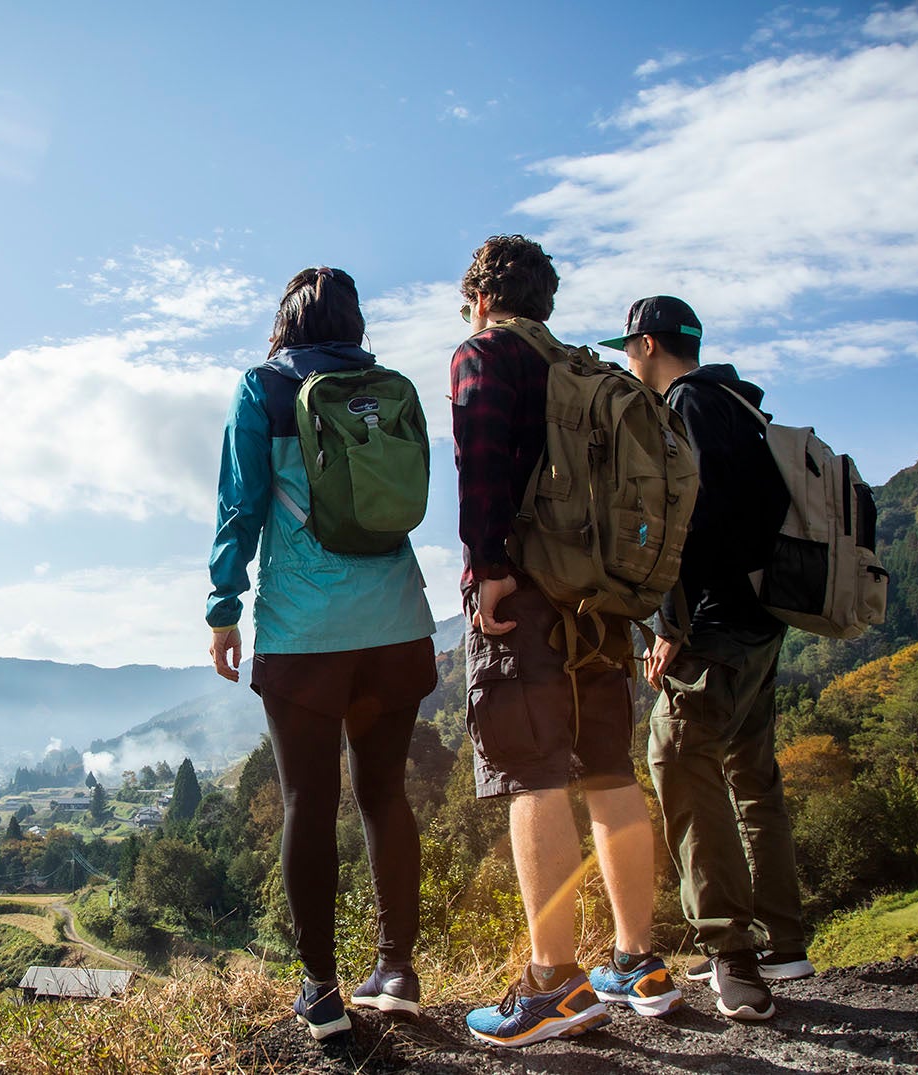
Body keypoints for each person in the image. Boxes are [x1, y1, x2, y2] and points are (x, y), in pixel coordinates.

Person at [451, 236, 681, 1048]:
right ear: (543, 301)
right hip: (602, 599)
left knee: (531, 774)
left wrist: (487, 568)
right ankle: (637, 961)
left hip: (526, 594)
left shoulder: (485, 354)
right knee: (609, 768)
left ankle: (552, 982)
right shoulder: (587, 370)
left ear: (481, 298)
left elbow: (480, 466)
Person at [207, 266, 438, 1040]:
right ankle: (396, 970)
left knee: (308, 800)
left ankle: (321, 990)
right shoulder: (388, 391)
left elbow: (239, 504)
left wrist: (222, 605)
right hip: (397, 621)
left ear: (287, 322)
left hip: (306, 633)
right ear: (353, 322)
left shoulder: (264, 388)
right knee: (385, 794)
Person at [600, 295, 814, 1023]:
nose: (630, 363)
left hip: (714, 627)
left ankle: (731, 956)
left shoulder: (685, 405)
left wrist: (671, 622)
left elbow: (690, 518)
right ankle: (784, 942)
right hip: (762, 621)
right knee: (753, 778)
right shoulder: (738, 402)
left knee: (677, 759)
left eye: (630, 349)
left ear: (648, 344)